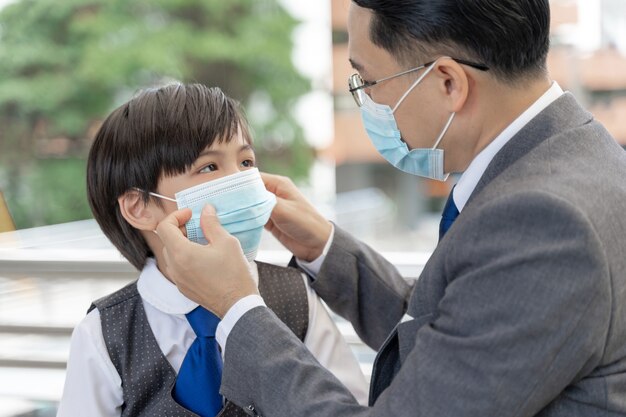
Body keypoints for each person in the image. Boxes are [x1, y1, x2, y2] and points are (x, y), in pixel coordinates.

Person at [156, 1, 626, 416]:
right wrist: (326, 247)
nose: (367, 100)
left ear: (447, 82)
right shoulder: (573, 152)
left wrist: (238, 308)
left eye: (370, 81)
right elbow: (458, 334)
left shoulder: (544, 222)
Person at [56, 83, 368, 417]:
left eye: (246, 162)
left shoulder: (296, 297)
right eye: (209, 167)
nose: (242, 181)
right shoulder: (104, 334)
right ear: (139, 208)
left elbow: (351, 405)